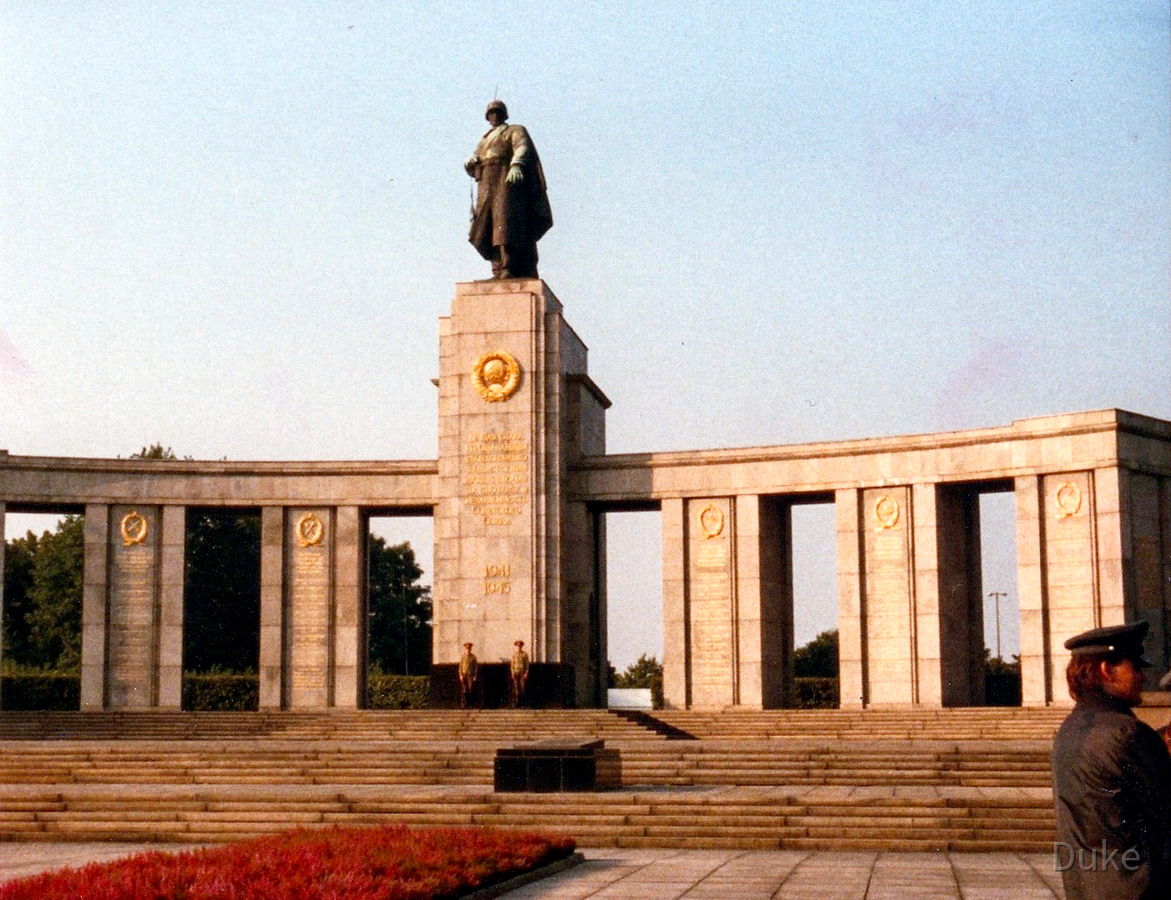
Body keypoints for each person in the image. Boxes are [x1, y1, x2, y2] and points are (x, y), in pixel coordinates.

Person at [1051, 621, 1171, 899]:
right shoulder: (1127, 733)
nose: (1143, 677)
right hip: (1138, 888)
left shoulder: (1068, 729)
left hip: (1088, 886)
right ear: (1106, 670)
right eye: (1136, 667)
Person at [465, 100, 552, 279]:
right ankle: (496, 267)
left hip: (505, 180)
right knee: (484, 226)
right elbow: (475, 163)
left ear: (504, 114)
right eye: (491, 113)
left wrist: (517, 164)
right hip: (485, 183)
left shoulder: (514, 130)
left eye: (497, 112)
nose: (494, 115)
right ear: (487, 117)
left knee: (504, 224)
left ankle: (508, 266)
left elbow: (522, 146)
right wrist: (469, 163)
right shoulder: (484, 139)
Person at [458, 642, 479, 708]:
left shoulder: (473, 657)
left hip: (470, 675)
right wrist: (460, 675)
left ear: (471, 649)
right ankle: (464, 704)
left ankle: (470, 704)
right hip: (464, 674)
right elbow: (460, 666)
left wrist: (475, 675)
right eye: (467, 649)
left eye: (469, 649)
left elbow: (475, 667)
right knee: (464, 689)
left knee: (470, 689)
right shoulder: (463, 657)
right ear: (465, 649)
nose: (468, 650)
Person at [510, 639, 530, 706]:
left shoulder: (524, 654)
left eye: (520, 646)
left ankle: (523, 703)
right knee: (516, 687)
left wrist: (526, 673)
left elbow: (527, 665)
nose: (519, 647)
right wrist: (512, 672)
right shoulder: (514, 655)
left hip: (522, 672)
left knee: (522, 687)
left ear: (522, 646)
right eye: (517, 646)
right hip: (516, 672)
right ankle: (516, 703)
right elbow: (512, 665)